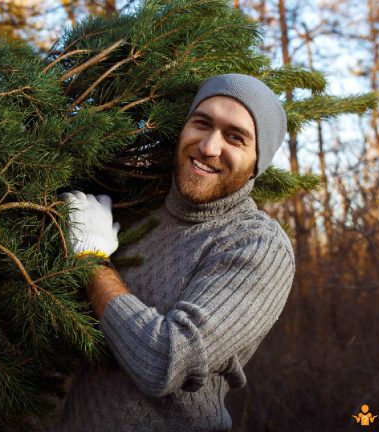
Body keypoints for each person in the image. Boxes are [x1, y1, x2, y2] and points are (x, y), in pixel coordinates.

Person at [52, 73, 295, 431]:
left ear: (257, 163)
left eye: (235, 137)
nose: (209, 147)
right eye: (202, 123)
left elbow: (164, 362)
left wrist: (91, 262)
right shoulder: (137, 212)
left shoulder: (256, 244)